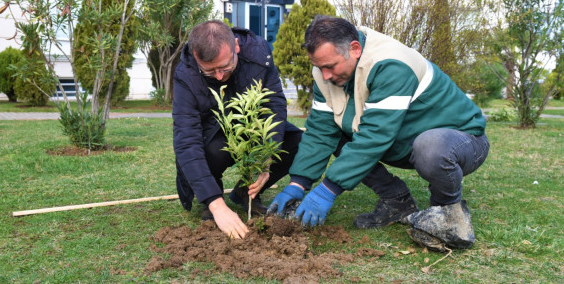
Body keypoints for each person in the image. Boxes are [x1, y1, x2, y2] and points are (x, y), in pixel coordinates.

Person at [267, 16, 489, 251]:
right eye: (319, 67)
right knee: (341, 134)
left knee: (430, 146)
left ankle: (447, 213)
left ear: (354, 49)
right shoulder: (328, 72)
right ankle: (397, 202)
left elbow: (375, 135)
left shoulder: (391, 63)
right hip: (405, 141)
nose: (325, 76)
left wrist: (327, 190)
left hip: (461, 141)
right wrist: (298, 184)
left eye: (330, 66)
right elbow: (322, 131)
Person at [173, 20, 303, 239]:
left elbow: (274, 105)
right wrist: (216, 206)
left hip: (249, 127)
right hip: (214, 137)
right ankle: (213, 198)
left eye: (225, 67)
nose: (220, 76)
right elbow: (186, 141)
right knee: (210, 149)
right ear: (195, 56)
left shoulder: (259, 53)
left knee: (295, 142)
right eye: (209, 71)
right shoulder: (186, 74)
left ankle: (246, 191)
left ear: (236, 46)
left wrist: (266, 157)